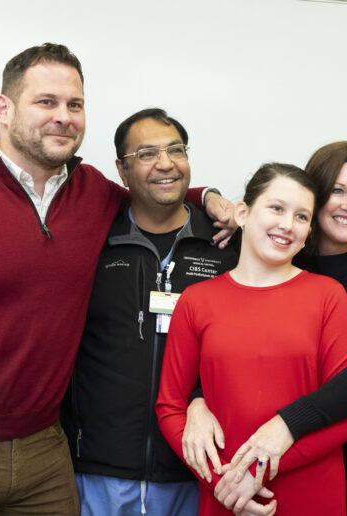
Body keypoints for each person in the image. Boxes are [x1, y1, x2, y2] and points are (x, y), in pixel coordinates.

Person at [0, 44, 234, 516]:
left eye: (75, 104)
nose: (64, 117)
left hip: (48, 455)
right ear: (3, 109)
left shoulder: (92, 193)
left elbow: (155, 191)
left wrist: (211, 197)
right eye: (45, 102)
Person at [185, 142, 347, 515]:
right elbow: (231, 339)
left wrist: (287, 423)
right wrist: (198, 399)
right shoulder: (280, 255)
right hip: (298, 456)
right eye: (337, 191)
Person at [60, 108, 240, 516]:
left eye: (176, 150)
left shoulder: (229, 246)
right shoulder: (90, 240)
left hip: (197, 470)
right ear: (122, 171)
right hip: (99, 472)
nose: (165, 163)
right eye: (146, 154)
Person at [157, 163, 347, 516]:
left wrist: (256, 471)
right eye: (277, 208)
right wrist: (223, 483)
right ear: (243, 213)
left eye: (302, 216)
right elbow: (170, 407)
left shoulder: (329, 297)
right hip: (226, 496)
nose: (288, 225)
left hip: (310, 493)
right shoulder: (197, 300)